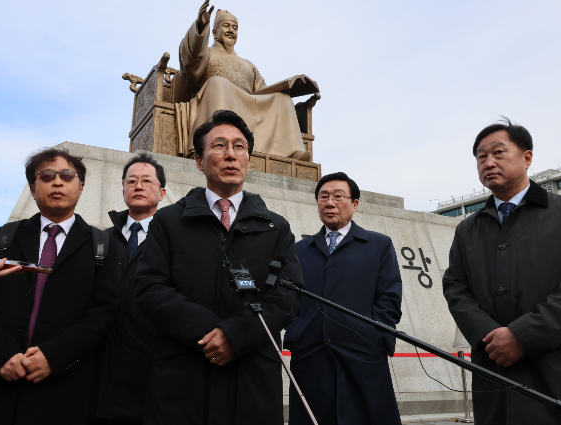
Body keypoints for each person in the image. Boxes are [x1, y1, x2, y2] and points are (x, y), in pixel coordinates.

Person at [134, 110, 304, 425]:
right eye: (219, 145)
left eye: (240, 147)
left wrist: (236, 335)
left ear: (248, 161)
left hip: (251, 375)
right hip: (184, 376)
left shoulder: (275, 227)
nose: (230, 155)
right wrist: (210, 332)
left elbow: (287, 295)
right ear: (199, 161)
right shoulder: (169, 221)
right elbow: (149, 286)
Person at [0, 148, 121, 425]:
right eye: (47, 176)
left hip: (62, 386)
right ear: (32, 188)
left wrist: (54, 356)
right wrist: (1, 354)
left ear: (80, 188)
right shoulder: (4, 237)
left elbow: (103, 311)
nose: (57, 182)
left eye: (67, 176)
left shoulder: (102, 246)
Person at [442, 118, 561, 424]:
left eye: (499, 152)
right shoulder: (468, 230)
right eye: (481, 157)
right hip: (493, 372)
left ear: (527, 157)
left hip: (559, 374)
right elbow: (456, 288)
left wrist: (522, 336)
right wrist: (488, 335)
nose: (489, 162)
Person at [284, 172, 403, 425]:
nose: (330, 203)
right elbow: (289, 299)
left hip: (363, 358)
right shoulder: (300, 250)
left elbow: (389, 298)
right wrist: (296, 332)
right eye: (323, 197)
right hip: (311, 358)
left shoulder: (378, 245)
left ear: (355, 204)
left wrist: (373, 336)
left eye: (338, 196)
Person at [177, 0, 311, 161]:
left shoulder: (248, 65)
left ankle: (290, 151)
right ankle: (217, 141)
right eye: (226, 26)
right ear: (214, 32)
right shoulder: (207, 53)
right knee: (217, 82)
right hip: (217, 98)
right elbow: (192, 59)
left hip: (248, 106)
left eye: (235, 28)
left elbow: (263, 92)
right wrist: (200, 26)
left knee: (283, 99)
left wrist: (286, 87)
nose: (231, 31)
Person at [91, 153, 166, 425]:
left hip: (151, 376)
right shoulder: (101, 240)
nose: (138, 186)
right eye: (131, 181)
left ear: (162, 192)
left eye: (147, 180)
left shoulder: (172, 241)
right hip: (100, 375)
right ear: (123, 189)